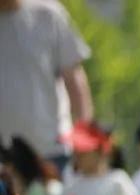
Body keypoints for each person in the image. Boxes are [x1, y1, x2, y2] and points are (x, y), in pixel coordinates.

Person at [0, 0, 92, 169]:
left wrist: (84, 138)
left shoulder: (47, 14)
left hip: (53, 153)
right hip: (4, 161)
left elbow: (74, 77)